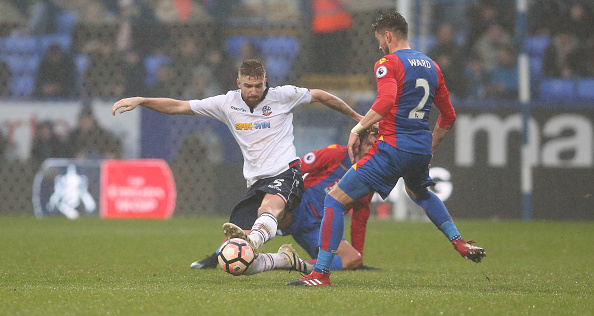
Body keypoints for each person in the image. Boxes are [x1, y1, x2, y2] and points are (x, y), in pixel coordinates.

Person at [288, 12, 486, 287]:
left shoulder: (387, 63)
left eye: (380, 39)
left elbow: (386, 101)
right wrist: (428, 146)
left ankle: (320, 274)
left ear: (389, 36)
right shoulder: (431, 65)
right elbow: (448, 116)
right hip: (419, 148)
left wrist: (357, 130)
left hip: (391, 147)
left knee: (333, 199)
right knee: (420, 192)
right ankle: (459, 242)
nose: (379, 45)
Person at [112, 59, 363, 275]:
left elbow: (321, 95)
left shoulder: (283, 95)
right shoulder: (226, 103)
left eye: (258, 85)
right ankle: (281, 259)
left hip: (285, 173)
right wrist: (142, 99)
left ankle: (253, 239)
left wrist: (358, 119)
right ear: (238, 83)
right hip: (255, 183)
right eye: (248, 86)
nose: (254, 91)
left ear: (266, 81)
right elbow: (179, 106)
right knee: (234, 260)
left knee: (269, 208)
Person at [191, 130, 378, 271]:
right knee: (262, 220)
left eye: (377, 146)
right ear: (359, 142)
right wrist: (285, 193)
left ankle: (289, 263)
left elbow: (360, 218)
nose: (373, 150)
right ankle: (215, 257)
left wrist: (359, 254)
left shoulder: (370, 176)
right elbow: (298, 168)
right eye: (370, 144)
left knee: (351, 259)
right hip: (299, 207)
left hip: (319, 227)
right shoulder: (338, 154)